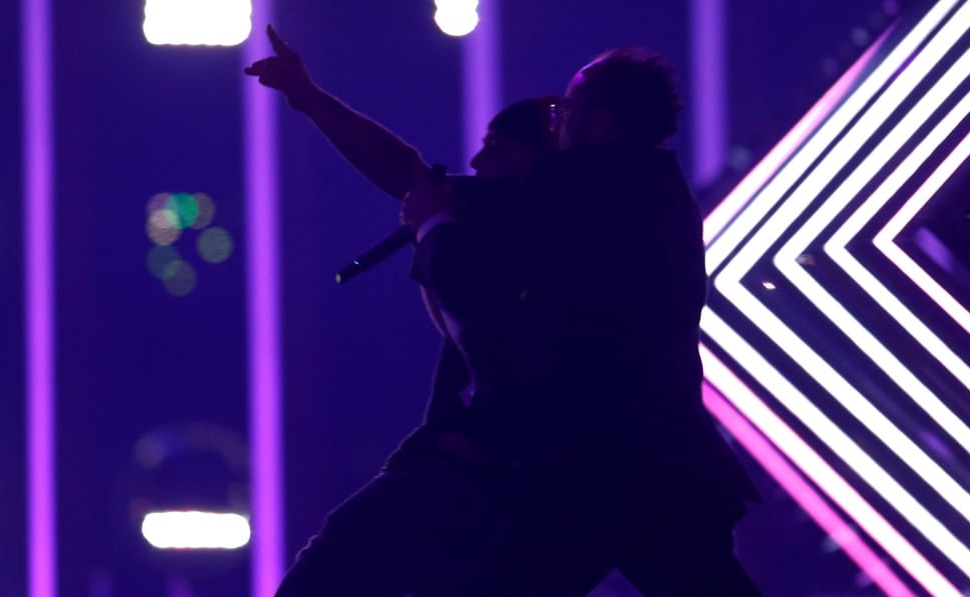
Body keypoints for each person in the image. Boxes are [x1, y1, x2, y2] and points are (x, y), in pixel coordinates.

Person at [399, 48, 761, 595]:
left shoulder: (579, 187)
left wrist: (432, 229)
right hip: (659, 456)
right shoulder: (653, 187)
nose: (555, 123)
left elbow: (474, 287)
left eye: (564, 111)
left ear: (601, 121)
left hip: (592, 462)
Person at [245, 25, 560, 596]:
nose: (475, 161)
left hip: (472, 474)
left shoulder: (541, 230)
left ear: (533, 163)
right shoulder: (565, 225)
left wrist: (436, 230)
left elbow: (405, 175)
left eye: (496, 148)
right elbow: (404, 175)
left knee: (331, 569)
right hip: (501, 483)